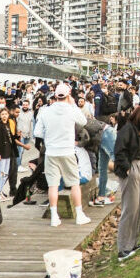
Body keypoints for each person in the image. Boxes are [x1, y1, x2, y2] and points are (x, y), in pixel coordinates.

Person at [34, 83, 90, 227]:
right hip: (67, 151)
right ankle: (79, 215)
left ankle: (54, 216)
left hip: (51, 152)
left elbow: (38, 133)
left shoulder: (45, 111)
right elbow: (83, 121)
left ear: (55, 96)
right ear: (68, 95)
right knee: (74, 183)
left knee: (52, 185)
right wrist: (73, 104)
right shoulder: (71, 110)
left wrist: (50, 134)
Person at [114, 106, 140, 262]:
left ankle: (133, 243)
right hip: (131, 169)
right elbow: (119, 151)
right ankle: (123, 248)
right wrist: (127, 169)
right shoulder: (127, 130)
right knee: (130, 209)